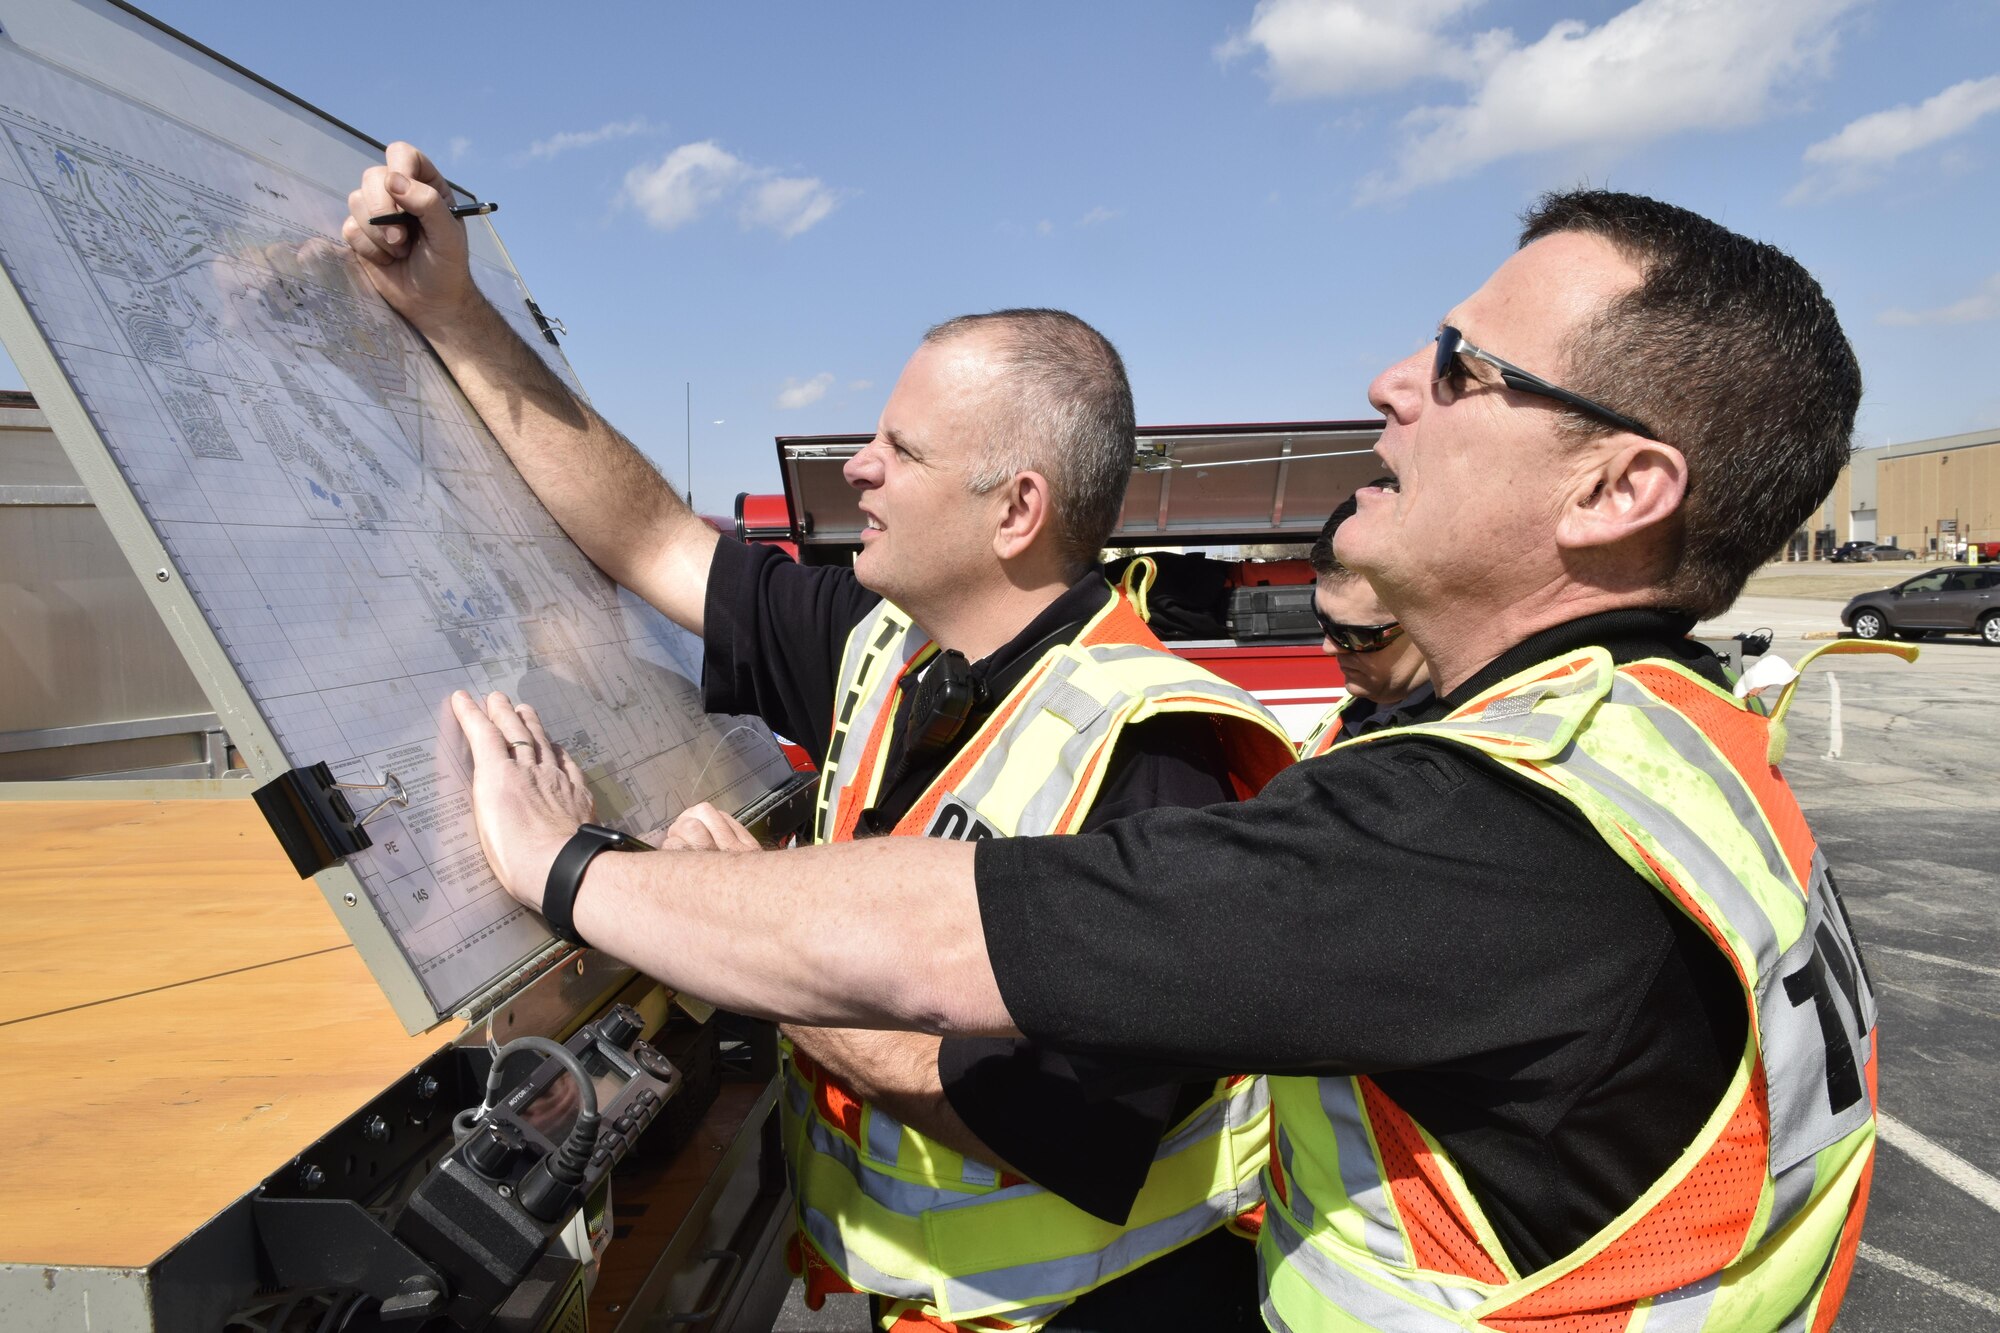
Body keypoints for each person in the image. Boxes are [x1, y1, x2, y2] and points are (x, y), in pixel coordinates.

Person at [440, 188, 1882, 1330]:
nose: (1393, 384)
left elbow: (948, 948)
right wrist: (451, 308)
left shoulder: (1485, 830)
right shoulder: (1651, 754)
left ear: (1621, 486)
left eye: (1463, 368)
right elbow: (651, 540)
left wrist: (576, 870)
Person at [344, 147, 1296, 1332]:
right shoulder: (880, 643)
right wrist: (454, 311)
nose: (857, 468)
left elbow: (1052, 1116)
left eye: (900, 450)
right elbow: (644, 534)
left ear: (1016, 510)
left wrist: (735, 923)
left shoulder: (1159, 760)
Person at [1298, 489, 1432, 756]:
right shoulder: (1361, 706)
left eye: (1355, 635)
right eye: (1322, 619)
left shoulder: (1447, 749)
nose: (1329, 647)